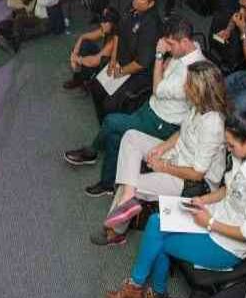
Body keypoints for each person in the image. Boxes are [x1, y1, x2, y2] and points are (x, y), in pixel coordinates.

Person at [104, 109, 246, 298]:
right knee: (156, 221)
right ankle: (152, 293)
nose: (228, 150)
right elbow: (228, 190)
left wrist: (210, 223)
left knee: (158, 239)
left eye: (231, 145)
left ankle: (140, 290)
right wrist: (203, 199)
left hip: (228, 245)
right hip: (214, 214)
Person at [65, 13, 200, 199]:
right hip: (152, 109)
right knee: (114, 138)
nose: (166, 47)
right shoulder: (190, 49)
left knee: (111, 121)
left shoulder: (190, 72)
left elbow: (157, 89)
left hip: (162, 123)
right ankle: (108, 184)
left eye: (170, 44)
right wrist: (166, 61)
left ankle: (92, 151)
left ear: (184, 41)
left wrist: (160, 56)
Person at [98, 61, 230, 243]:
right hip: (178, 156)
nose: (185, 86)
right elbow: (181, 132)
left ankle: (116, 231)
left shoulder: (212, 124)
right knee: (131, 137)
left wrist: (162, 167)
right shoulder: (198, 105)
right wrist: (162, 148)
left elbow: (197, 174)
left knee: (129, 182)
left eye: (188, 83)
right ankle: (129, 196)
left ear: (199, 89)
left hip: (190, 182)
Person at [63, 7, 119, 90]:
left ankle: (89, 78)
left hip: (111, 65)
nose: (101, 24)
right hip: (102, 59)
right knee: (84, 44)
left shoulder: (114, 39)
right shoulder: (107, 29)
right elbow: (83, 37)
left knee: (92, 61)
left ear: (112, 24)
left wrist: (78, 59)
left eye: (105, 22)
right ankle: (80, 78)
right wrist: (75, 52)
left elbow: (96, 61)